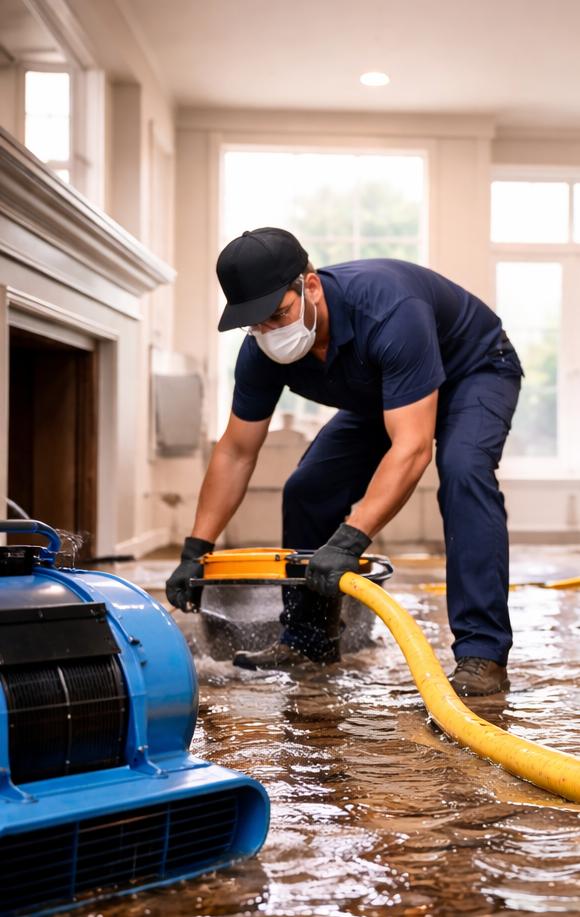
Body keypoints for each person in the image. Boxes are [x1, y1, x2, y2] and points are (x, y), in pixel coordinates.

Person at [165, 229, 522, 694]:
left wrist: (350, 540)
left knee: (463, 469)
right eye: (257, 324)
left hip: (473, 370)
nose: (271, 333)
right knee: (308, 489)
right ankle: (309, 640)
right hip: (385, 392)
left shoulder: (390, 312)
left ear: (310, 285)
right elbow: (236, 451)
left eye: (279, 315)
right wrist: (197, 550)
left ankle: (484, 655)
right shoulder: (261, 353)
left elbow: (412, 447)